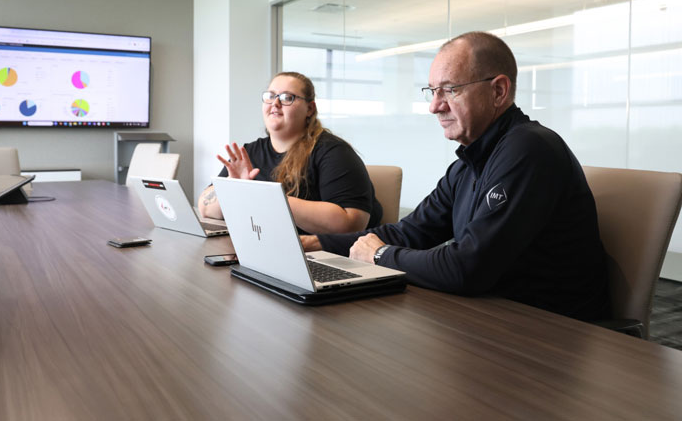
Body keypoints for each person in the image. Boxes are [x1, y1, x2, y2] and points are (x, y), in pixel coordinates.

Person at [302, 32, 610, 321]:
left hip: (554, 329)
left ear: (498, 91)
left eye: (450, 89)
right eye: (432, 91)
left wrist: (380, 255)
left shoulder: (529, 149)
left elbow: (468, 267)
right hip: (493, 314)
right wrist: (316, 243)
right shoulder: (469, 162)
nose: (435, 106)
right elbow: (410, 232)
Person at [198, 71, 382, 234]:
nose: (275, 103)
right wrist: (234, 188)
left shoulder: (334, 152)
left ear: (310, 109)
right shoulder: (249, 152)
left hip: (319, 254)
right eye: (270, 96)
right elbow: (205, 207)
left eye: (287, 97)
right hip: (264, 244)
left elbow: (350, 223)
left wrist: (264, 197)